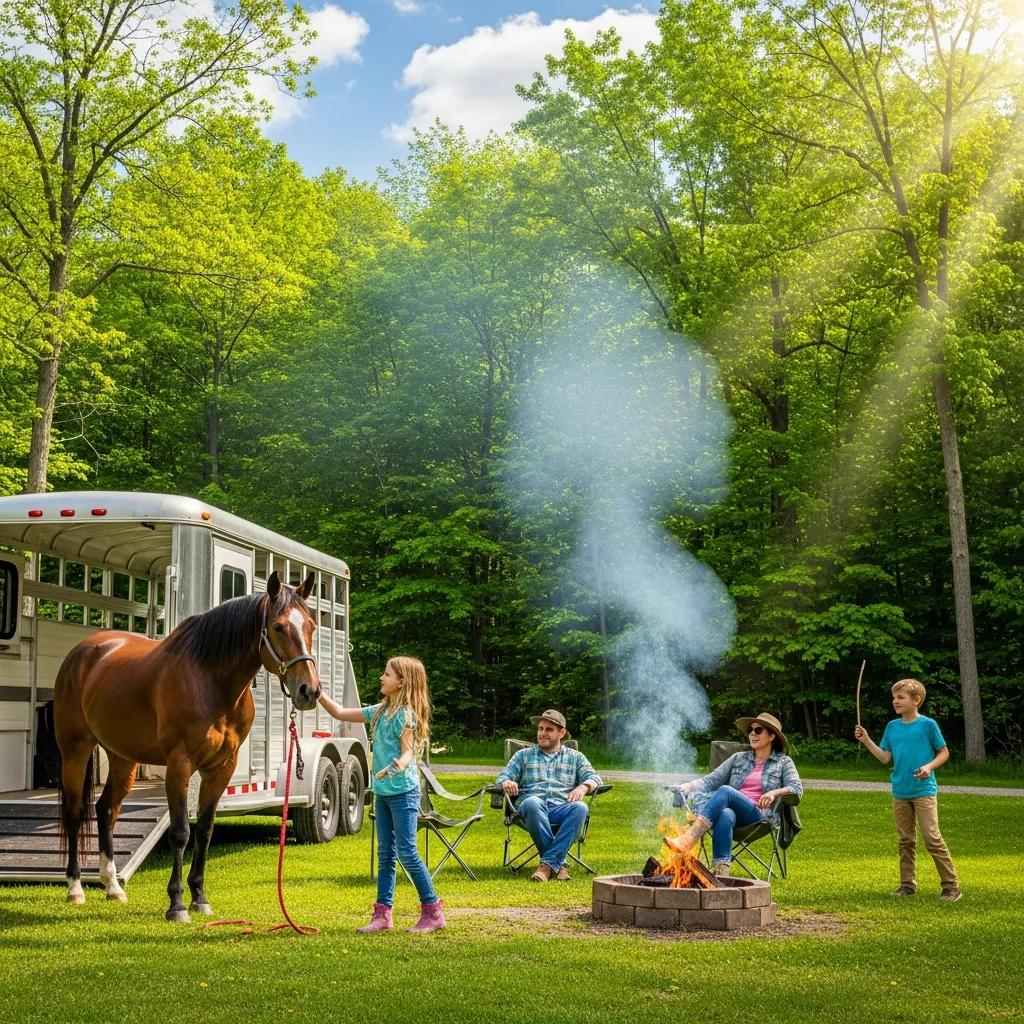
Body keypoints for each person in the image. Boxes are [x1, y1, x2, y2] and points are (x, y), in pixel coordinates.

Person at [318, 655, 445, 933]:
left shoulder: (406, 715)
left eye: (387, 674)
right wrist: (318, 692)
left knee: (407, 853)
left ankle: (433, 911)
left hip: (403, 793)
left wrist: (400, 762)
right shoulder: (380, 711)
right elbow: (339, 712)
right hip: (383, 792)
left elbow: (409, 750)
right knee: (386, 854)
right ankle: (382, 915)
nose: (381, 677)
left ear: (402, 682)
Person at [854, 678, 961, 902]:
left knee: (932, 838)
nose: (895, 701)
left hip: (924, 790)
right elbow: (884, 757)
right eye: (894, 697)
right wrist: (866, 740)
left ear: (916, 700)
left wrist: (928, 767)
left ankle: (951, 887)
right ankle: (907, 886)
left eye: (901, 697)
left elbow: (944, 753)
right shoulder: (892, 727)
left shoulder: (928, 725)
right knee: (905, 840)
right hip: (900, 791)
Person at [672, 712, 802, 876]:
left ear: (771, 736)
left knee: (726, 791)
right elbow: (711, 780)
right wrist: (687, 786)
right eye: (750, 731)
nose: (753, 734)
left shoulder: (783, 762)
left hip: (759, 817)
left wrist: (775, 793)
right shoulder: (739, 758)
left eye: (758, 730)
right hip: (735, 817)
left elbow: (796, 788)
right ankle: (721, 872)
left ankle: (690, 838)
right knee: (725, 813)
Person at [495, 709, 603, 883]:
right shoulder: (523, 755)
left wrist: (583, 787)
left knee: (581, 807)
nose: (542, 733)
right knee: (533, 802)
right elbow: (502, 778)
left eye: (548, 729)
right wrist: (507, 782)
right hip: (531, 809)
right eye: (540, 729)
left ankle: (547, 866)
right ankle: (558, 865)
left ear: (562, 733)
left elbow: (596, 778)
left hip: (561, 808)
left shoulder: (575, 757)